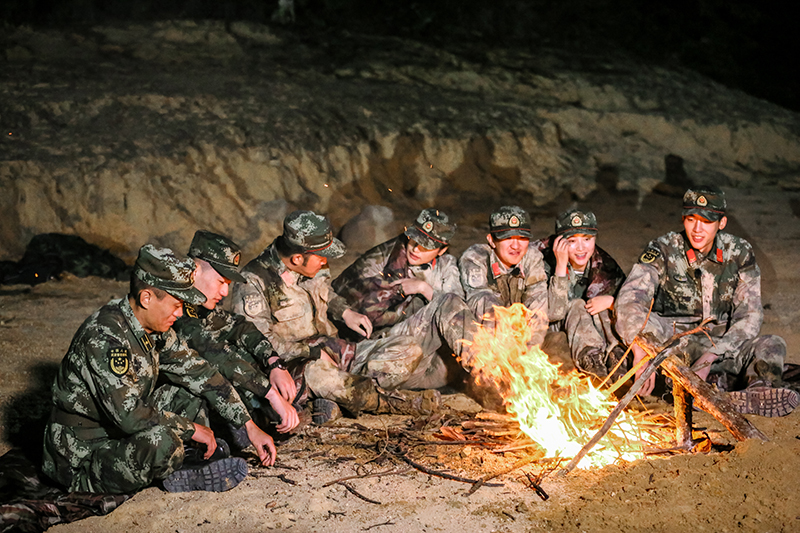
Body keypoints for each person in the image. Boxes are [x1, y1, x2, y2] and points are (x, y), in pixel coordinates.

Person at [42, 245, 275, 495]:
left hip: (115, 429)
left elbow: (201, 373)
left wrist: (249, 425)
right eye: (176, 305)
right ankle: (177, 462)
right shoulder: (105, 337)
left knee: (189, 394)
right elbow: (130, 416)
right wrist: (192, 429)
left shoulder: (153, 328)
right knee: (162, 442)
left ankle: (186, 461)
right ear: (146, 298)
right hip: (82, 453)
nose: (180, 313)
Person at [228, 210, 441, 422]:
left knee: (410, 349)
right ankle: (399, 403)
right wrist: (310, 351)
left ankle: (342, 399)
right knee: (323, 377)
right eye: (321, 258)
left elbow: (325, 291)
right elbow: (258, 341)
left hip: (333, 347)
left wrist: (345, 312)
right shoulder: (253, 282)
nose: (324, 262)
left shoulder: (311, 263)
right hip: (297, 365)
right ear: (297, 258)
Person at [615, 186, 799, 416]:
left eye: (707, 221)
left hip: (720, 345)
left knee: (772, 344)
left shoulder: (738, 252)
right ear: (683, 219)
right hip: (671, 343)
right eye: (691, 219)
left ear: (721, 223)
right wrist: (643, 349)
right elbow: (630, 300)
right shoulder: (662, 248)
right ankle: (703, 391)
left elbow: (750, 315)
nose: (697, 228)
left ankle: (757, 394)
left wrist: (711, 354)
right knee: (622, 346)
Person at [172, 230, 299, 438]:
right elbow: (216, 355)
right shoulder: (174, 307)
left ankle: (254, 420)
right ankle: (221, 437)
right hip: (159, 402)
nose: (224, 293)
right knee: (217, 368)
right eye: (221, 282)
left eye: (228, 285)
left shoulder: (198, 305)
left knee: (244, 349)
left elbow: (239, 326)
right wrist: (271, 395)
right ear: (195, 271)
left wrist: (274, 362)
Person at [332, 208, 478, 389]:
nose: (416, 249)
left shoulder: (446, 265)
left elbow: (457, 310)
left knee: (454, 352)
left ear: (442, 250)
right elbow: (349, 303)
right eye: (415, 240)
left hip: (424, 360)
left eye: (426, 245)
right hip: (388, 348)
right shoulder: (382, 259)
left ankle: (484, 366)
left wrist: (424, 289)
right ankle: (486, 369)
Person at [533, 209, 627, 379]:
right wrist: (560, 267)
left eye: (587, 239)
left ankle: (617, 360)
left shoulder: (605, 265)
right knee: (577, 305)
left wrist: (612, 301)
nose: (581, 248)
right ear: (559, 242)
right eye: (572, 241)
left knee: (605, 306)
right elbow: (553, 313)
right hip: (549, 328)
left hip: (590, 331)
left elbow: (636, 305)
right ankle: (592, 363)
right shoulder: (540, 259)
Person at [459, 205, 548, 345]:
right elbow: (479, 299)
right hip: (481, 337)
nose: (516, 246)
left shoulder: (532, 258)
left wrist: (530, 350)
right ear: (491, 240)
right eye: (507, 238)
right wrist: (505, 329)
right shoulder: (476, 257)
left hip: (520, 336)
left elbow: (538, 308)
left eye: (522, 237)